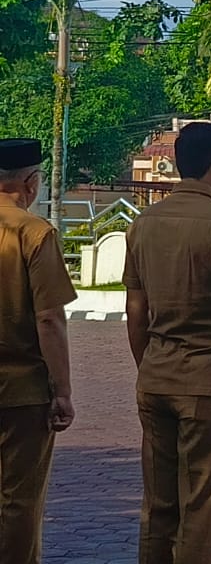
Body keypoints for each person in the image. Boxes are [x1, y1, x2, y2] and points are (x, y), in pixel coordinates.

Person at [123, 122, 211, 564]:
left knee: (159, 507)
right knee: (200, 508)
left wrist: (149, 364)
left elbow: (136, 311)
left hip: (156, 376)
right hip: (209, 382)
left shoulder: (143, 224)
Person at [0, 139, 76, 564]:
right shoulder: (34, 232)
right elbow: (49, 318)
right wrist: (62, 390)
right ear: (30, 183)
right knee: (19, 500)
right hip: (22, 391)